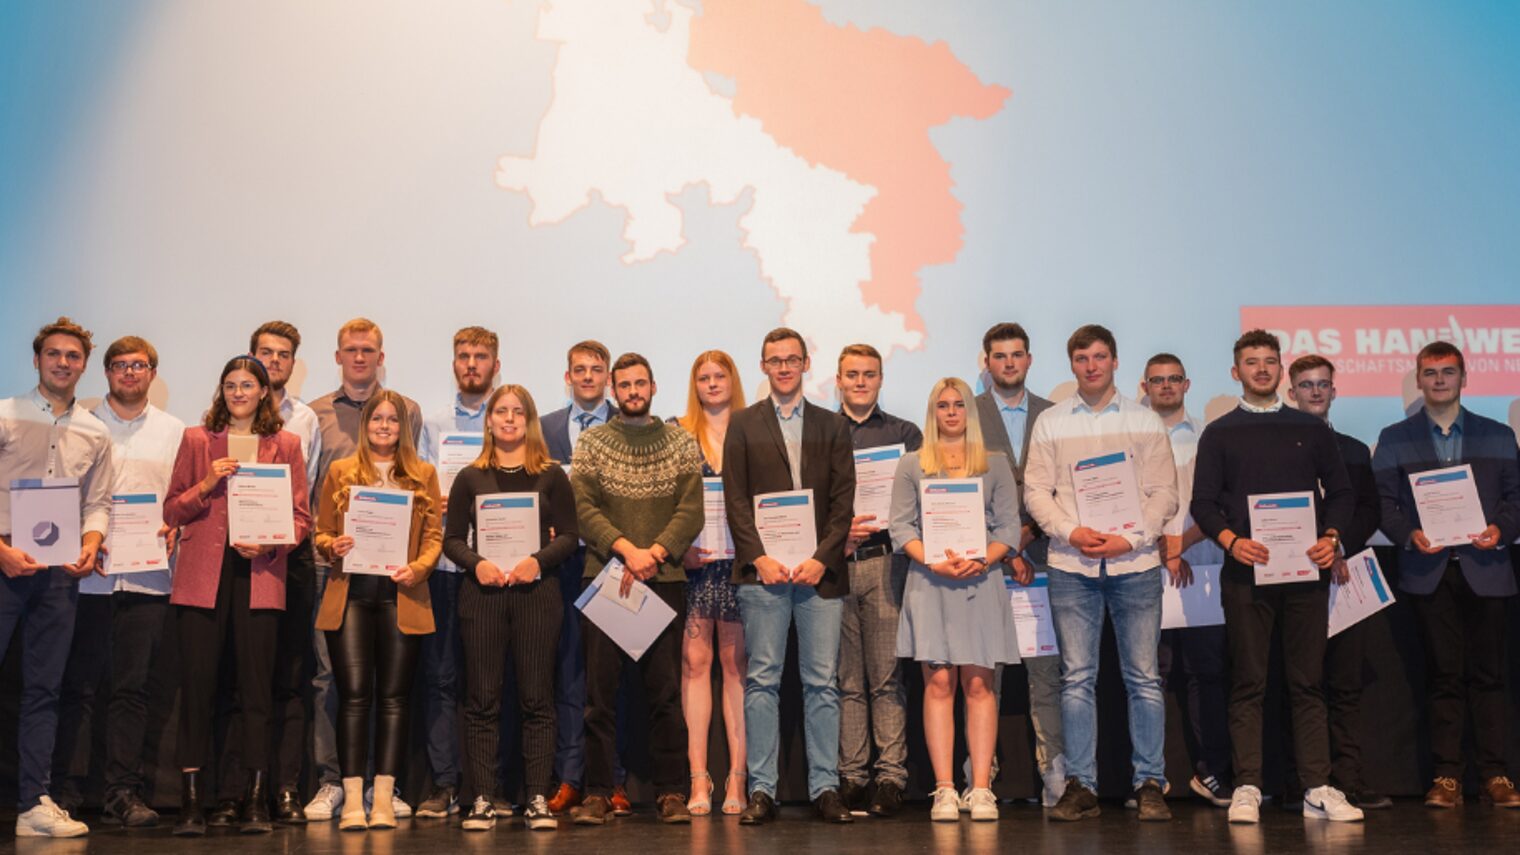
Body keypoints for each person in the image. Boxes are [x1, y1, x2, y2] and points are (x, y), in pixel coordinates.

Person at [1190, 329, 1360, 824]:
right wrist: (1230, 542)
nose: (1261, 369)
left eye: (1269, 361)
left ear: (1280, 369)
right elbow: (1204, 503)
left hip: (1307, 574)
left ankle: (1317, 787)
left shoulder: (1310, 428)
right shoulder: (1219, 432)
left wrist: (1330, 536)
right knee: (1248, 682)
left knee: (1307, 683)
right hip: (1246, 574)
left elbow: (1343, 494)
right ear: (1235, 372)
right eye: (1251, 362)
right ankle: (1247, 786)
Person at [1023, 324, 1179, 823]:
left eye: (1100, 357)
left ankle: (1150, 782)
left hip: (1134, 564)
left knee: (1145, 679)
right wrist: (1071, 532)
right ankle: (1082, 785)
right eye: (1082, 358)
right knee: (1076, 680)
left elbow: (1164, 493)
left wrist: (1129, 538)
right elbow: (1035, 493)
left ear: (1115, 361)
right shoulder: (1050, 422)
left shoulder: (1144, 420)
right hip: (1072, 565)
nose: (1091, 365)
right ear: (1071, 365)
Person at [164, 355, 312, 836]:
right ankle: (191, 802)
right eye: (230, 384)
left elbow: (302, 517)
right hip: (202, 576)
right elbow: (173, 508)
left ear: (264, 391)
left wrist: (271, 542)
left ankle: (254, 798)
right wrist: (207, 483)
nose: (238, 392)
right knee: (199, 688)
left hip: (260, 573)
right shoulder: (195, 439)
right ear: (220, 390)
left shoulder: (285, 443)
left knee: (255, 690)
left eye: (248, 384)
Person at [1371, 341, 1520, 809]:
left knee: (1490, 676)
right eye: (1430, 372)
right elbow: (1384, 504)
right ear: (1419, 379)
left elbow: (1516, 500)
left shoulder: (1498, 434)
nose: (1439, 380)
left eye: (1448, 372)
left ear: (1464, 377)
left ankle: (1496, 776)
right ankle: (1447, 777)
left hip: (1488, 569)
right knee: (1443, 677)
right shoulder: (1394, 437)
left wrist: (1502, 528)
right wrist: (1409, 534)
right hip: (1428, 570)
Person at [723, 327, 856, 825]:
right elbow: (735, 501)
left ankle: (825, 787)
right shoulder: (742, 424)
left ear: (805, 364)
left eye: (791, 359)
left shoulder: (831, 425)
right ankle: (763, 790)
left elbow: (844, 501)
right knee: (762, 681)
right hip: (765, 576)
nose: (783, 367)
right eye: (774, 360)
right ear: (763, 367)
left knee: (822, 683)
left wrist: (824, 556)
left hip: (819, 574)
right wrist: (758, 557)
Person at [50, 336, 184, 829]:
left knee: (132, 691)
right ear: (105, 372)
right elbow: (60, 491)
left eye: (140, 365)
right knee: (77, 688)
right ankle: (63, 792)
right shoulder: (79, 426)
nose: (130, 372)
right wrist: (80, 542)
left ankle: (121, 794)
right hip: (86, 578)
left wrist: (176, 528)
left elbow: (180, 501)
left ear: (152, 373)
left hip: (148, 579)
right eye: (121, 365)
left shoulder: (175, 432)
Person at [569, 353, 704, 825]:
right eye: (623, 384)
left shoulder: (681, 443)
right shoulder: (592, 443)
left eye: (639, 383)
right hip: (606, 579)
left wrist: (657, 553)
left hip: (663, 580)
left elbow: (691, 511)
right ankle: (599, 792)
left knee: (665, 694)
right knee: (599, 697)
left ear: (653, 386)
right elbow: (583, 508)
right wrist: (628, 550)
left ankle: (671, 793)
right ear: (612, 388)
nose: (632, 391)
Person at [445, 384, 578, 831]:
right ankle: (482, 797)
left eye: (517, 412)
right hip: (482, 596)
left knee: (537, 699)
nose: (508, 419)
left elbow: (569, 538)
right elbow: (452, 540)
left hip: (537, 596)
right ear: (488, 420)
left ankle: (537, 796)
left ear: (529, 420)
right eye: (500, 411)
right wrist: (476, 563)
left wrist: (535, 562)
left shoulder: (552, 475)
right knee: (482, 700)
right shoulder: (470, 477)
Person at [305, 318, 422, 822]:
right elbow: (311, 502)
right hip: (337, 572)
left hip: (397, 578)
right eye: (350, 350)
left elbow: (423, 504)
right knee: (332, 680)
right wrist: (329, 544)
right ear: (337, 356)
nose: (359, 357)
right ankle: (335, 782)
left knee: (391, 687)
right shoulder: (315, 415)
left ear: (381, 356)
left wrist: (418, 561)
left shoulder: (409, 410)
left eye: (368, 350)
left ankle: (383, 787)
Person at [1, 317, 113, 839]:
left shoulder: (95, 431)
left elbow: (97, 502)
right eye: (54, 353)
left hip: (57, 577)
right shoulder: (5, 416)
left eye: (73, 356)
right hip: (3, 565)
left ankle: (32, 805)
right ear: (37, 359)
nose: (63, 362)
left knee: (44, 689)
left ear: (83, 364)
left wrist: (90, 545)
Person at [891, 377, 1021, 823]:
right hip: (930, 583)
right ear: (933, 412)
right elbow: (901, 528)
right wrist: (933, 561)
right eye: (943, 405)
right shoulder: (912, 464)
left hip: (980, 582)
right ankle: (945, 789)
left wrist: (982, 560)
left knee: (980, 685)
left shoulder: (996, 464)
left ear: (970, 411)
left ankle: (980, 788)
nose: (951, 412)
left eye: (959, 404)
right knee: (939, 684)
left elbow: (1009, 529)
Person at [314, 390, 443, 830]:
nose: (385, 426)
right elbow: (321, 534)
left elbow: (433, 537)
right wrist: (334, 544)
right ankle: (353, 799)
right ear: (365, 424)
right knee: (352, 697)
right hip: (350, 592)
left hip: (400, 593)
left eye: (393, 420)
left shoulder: (423, 473)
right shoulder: (340, 471)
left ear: (404, 428)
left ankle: (384, 796)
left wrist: (421, 567)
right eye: (377, 419)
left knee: (393, 698)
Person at [1281, 355, 1390, 810]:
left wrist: (1339, 544)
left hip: (1344, 576)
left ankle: (1348, 780)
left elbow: (1369, 508)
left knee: (1345, 684)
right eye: (1306, 385)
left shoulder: (1352, 449)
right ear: (1292, 393)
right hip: (1289, 578)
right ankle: (1299, 783)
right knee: (1299, 683)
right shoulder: (1275, 446)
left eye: (1323, 385)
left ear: (1334, 391)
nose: (1316, 392)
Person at [538, 340, 636, 816]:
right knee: (568, 674)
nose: (589, 377)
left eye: (598, 370)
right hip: (560, 563)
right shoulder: (545, 429)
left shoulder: (629, 426)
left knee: (609, 678)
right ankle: (570, 778)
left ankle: (611, 780)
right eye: (580, 370)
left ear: (608, 377)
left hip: (611, 562)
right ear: (568, 375)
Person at [972, 322, 1064, 808]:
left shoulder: (1054, 415)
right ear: (986, 361)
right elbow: (960, 489)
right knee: (984, 672)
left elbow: (1064, 489)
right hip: (985, 564)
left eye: (1017, 355)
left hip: (1046, 558)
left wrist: (1026, 537)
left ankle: (1054, 770)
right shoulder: (965, 414)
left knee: (1046, 672)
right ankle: (980, 771)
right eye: (999, 355)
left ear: (1029, 360)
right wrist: (1006, 546)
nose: (1008, 363)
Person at [1140, 353, 1232, 807]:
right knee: (1148, 676)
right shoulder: (1132, 433)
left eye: (1174, 379)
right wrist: (1162, 545)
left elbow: (1218, 501)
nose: (1166, 386)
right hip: (1143, 567)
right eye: (1157, 380)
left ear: (1187, 384)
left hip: (1206, 567)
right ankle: (1150, 779)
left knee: (1206, 674)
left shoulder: (1208, 437)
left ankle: (1210, 772)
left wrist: (1184, 544)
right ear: (1145, 385)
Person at [415, 326, 499, 818]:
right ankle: (444, 785)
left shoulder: (509, 418)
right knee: (442, 678)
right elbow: (421, 487)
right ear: (454, 365)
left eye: (481, 356)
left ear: (495, 364)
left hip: (498, 566)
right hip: (446, 566)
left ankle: (492, 786)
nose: (472, 364)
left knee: (492, 682)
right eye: (464, 356)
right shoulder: (434, 424)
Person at [834, 343, 920, 817]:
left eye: (869, 374)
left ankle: (890, 777)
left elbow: (921, 498)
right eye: (852, 374)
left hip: (888, 561)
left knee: (886, 678)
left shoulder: (905, 433)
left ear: (880, 379)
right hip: (837, 564)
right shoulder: (822, 431)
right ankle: (852, 776)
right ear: (839, 380)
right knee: (847, 679)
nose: (861, 381)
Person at [249, 320, 322, 824]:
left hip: (290, 557)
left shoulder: (306, 421)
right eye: (266, 352)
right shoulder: (223, 414)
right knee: (245, 678)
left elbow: (305, 492)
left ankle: (287, 788)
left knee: (293, 676)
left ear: (293, 364)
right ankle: (241, 789)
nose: (274, 361)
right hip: (237, 560)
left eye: (283, 355)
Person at [673, 350, 749, 816]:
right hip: (695, 564)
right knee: (694, 664)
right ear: (694, 384)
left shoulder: (751, 428)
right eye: (704, 377)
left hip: (740, 566)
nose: (713, 383)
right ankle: (698, 779)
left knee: (736, 666)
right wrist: (677, 546)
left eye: (721, 376)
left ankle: (737, 779)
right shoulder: (678, 433)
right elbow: (665, 499)